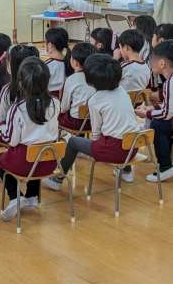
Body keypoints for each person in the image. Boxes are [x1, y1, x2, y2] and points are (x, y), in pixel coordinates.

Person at [46, 54, 139, 191]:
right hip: (133, 147)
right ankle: (126, 172)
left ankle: (57, 179)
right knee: (123, 131)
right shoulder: (122, 91)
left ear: (89, 79)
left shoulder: (96, 100)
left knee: (73, 142)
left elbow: (96, 135)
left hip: (114, 150)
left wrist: (93, 147)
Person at [0, 57, 60, 221]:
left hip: (23, 163)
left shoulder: (17, 109)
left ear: (21, 83)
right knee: (38, 150)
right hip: (49, 162)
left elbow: (11, 140)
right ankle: (32, 196)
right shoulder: (55, 103)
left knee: (0, 160)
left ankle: (15, 197)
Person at [0, 44, 40, 182]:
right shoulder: (44, 92)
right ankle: (32, 191)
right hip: (41, 147)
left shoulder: (9, 90)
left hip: (14, 138)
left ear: (12, 67)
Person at [135, 41, 173, 183]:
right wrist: (152, 108)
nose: (150, 64)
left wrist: (147, 114)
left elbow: (167, 114)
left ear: (162, 63)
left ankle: (165, 167)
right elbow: (169, 106)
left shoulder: (170, 82)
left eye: (152, 60)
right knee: (161, 122)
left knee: (158, 124)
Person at [58, 42, 96, 131]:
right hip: (95, 121)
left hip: (76, 123)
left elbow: (64, 108)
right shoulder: (98, 77)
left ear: (75, 62)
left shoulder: (71, 79)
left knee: (55, 114)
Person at [44, 27, 73, 97]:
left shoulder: (46, 66)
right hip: (64, 100)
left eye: (45, 42)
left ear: (50, 45)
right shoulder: (71, 63)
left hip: (49, 100)